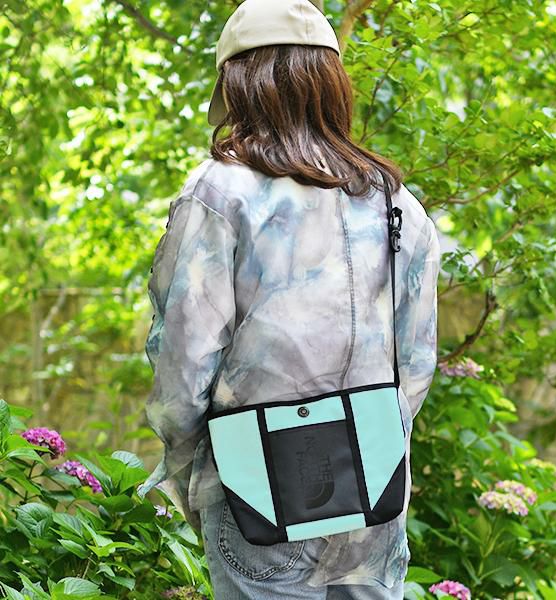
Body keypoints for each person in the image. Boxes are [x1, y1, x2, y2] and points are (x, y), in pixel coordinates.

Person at [136, 0, 441, 598]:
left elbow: (185, 366)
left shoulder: (220, 194)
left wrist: (188, 471)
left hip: (257, 485)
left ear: (238, 85)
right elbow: (416, 365)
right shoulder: (395, 202)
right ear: (332, 86)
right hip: (372, 491)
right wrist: (370, 447)